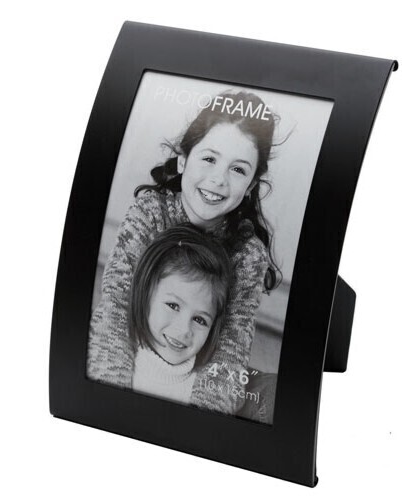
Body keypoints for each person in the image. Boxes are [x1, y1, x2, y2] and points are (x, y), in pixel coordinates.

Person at [87, 90, 281, 414]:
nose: (218, 180)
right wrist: (111, 401)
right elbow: (116, 307)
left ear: (250, 186)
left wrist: (199, 422)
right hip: (143, 347)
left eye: (238, 170)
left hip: (197, 364)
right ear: (183, 160)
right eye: (209, 159)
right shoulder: (150, 213)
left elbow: (230, 348)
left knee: (271, 394)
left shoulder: (248, 254)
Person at [128, 225, 231, 405]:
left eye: (200, 320)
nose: (184, 330)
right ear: (145, 294)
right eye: (173, 306)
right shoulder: (113, 361)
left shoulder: (205, 392)